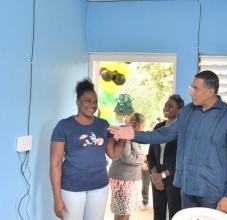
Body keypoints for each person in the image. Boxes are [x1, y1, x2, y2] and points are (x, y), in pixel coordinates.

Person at [108, 70, 227, 214]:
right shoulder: (188, 111)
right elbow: (166, 133)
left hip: (213, 193)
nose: (190, 93)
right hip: (186, 189)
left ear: (210, 91)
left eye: (195, 89)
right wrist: (134, 135)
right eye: (191, 88)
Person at [50, 78, 126, 220]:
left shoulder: (103, 125)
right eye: (88, 100)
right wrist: (57, 198)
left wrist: (124, 136)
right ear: (77, 101)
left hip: (99, 186)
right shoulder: (64, 126)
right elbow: (55, 164)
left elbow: (113, 154)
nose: (93, 105)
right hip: (72, 188)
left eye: (95, 101)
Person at [148, 94, 184, 220]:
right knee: (158, 215)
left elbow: (182, 159)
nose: (166, 108)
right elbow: (150, 154)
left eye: (170, 106)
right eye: (165, 105)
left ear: (179, 110)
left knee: (175, 215)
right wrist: (155, 176)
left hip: (173, 179)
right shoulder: (158, 127)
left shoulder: (181, 130)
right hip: (156, 179)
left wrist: (163, 175)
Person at [108, 112, 147, 220]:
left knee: (128, 209)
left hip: (130, 178)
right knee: (122, 211)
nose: (143, 129)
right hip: (122, 178)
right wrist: (143, 158)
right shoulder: (125, 136)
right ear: (136, 125)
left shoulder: (134, 136)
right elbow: (126, 157)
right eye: (143, 126)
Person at [140, 117, 161, 211]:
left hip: (155, 165)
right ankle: (145, 201)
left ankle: (157, 204)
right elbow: (142, 152)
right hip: (146, 163)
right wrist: (143, 162)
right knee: (145, 184)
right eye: (153, 126)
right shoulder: (146, 136)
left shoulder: (160, 138)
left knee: (157, 183)